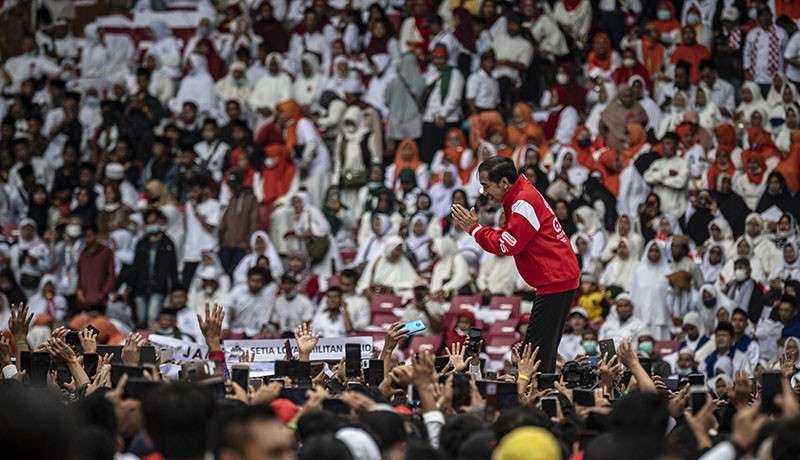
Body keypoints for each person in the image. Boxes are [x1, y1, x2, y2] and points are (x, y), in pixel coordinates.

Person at [451, 156, 580, 372]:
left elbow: (508, 244)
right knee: (538, 352)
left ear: (503, 182)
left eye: (485, 185)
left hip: (556, 280)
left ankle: (537, 397)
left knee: (534, 356)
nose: (483, 192)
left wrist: (475, 229)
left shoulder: (523, 202)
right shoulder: (520, 195)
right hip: (556, 278)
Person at [130, 209, 179, 329]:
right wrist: (130, 286)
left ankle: (150, 345)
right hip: (141, 287)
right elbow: (135, 266)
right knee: (141, 319)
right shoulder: (141, 243)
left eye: (154, 221)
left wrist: (174, 288)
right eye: (149, 222)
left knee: (153, 318)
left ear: (159, 221)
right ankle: (141, 344)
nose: (152, 225)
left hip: (158, 286)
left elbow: (172, 268)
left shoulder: (167, 243)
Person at [76, 223, 115, 309]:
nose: (87, 239)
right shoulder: (82, 254)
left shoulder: (106, 252)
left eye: (89, 236)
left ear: (96, 235)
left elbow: (111, 275)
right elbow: (79, 274)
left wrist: (103, 293)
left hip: (100, 301)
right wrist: (79, 291)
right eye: (85, 236)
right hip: (84, 300)